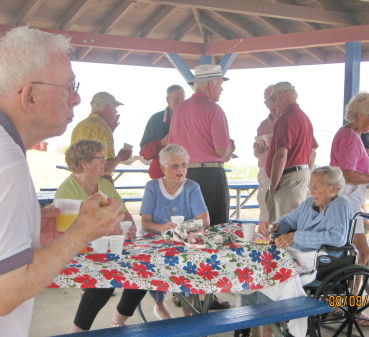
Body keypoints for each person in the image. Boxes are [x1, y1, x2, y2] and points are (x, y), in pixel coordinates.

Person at [0, 26, 123, 337]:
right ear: (29, 95)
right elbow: (1, 294)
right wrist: (84, 230)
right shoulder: (2, 160)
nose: (77, 98)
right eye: (69, 87)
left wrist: (24, 228)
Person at [112, 144, 211, 324]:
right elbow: (146, 223)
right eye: (175, 166)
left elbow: (205, 221)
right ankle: (159, 304)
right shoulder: (153, 187)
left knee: (191, 267)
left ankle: (190, 319)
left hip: (182, 241)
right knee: (145, 269)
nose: (181, 170)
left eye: (184, 165)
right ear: (164, 167)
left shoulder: (192, 187)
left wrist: (182, 229)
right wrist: (163, 228)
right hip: (155, 241)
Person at [53, 139, 140, 332]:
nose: (105, 162)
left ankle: (119, 320)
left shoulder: (104, 185)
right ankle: (78, 332)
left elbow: (124, 213)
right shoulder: (67, 191)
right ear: (85, 162)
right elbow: (67, 235)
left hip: (109, 249)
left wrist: (130, 229)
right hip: (80, 254)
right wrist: (109, 230)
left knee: (142, 272)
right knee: (103, 282)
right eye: (101, 158)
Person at [255, 166, 352, 336]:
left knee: (279, 275)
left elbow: (337, 237)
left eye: (317, 186)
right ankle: (267, 321)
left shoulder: (340, 204)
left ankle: (288, 324)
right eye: (310, 186)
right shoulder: (310, 203)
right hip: (301, 254)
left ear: (334, 188)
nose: (312, 190)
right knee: (264, 266)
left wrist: (296, 237)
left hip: (324, 260)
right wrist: (275, 226)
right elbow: (289, 219)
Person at [330, 92, 369, 270]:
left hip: (345, 200)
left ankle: (351, 293)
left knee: (354, 252)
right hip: (347, 203)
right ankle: (353, 296)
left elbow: (352, 171)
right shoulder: (350, 137)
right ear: (360, 115)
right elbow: (347, 175)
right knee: (362, 253)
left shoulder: (348, 134)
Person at [169, 64, 235, 226]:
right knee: (215, 226)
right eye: (220, 85)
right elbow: (222, 150)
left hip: (183, 174)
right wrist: (230, 147)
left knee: (187, 227)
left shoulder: (180, 109)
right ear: (211, 84)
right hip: (210, 175)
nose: (221, 90)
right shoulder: (214, 109)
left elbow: (171, 147)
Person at [265, 82, 318, 222]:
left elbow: (281, 155)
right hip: (301, 175)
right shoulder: (305, 118)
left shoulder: (286, 118)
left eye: (275, 100)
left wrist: (274, 185)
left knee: (283, 226)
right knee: (294, 222)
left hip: (288, 178)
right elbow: (313, 152)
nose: (275, 105)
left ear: (283, 95)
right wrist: (306, 174)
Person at [71, 91, 132, 183]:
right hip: (98, 183)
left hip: (78, 181)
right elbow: (106, 166)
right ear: (107, 108)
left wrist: (110, 131)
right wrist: (121, 157)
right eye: (115, 107)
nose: (116, 111)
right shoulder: (103, 128)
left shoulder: (80, 125)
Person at [140, 85, 185, 179]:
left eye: (183, 99)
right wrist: (161, 142)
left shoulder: (192, 118)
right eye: (176, 99)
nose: (180, 103)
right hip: (162, 176)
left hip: (187, 175)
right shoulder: (156, 120)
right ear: (168, 100)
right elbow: (145, 153)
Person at [253, 85, 280, 226]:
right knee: (265, 211)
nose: (271, 105)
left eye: (273, 100)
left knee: (285, 213)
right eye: (267, 102)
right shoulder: (263, 125)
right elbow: (258, 153)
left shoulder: (293, 120)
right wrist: (257, 150)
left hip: (285, 174)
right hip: (265, 173)